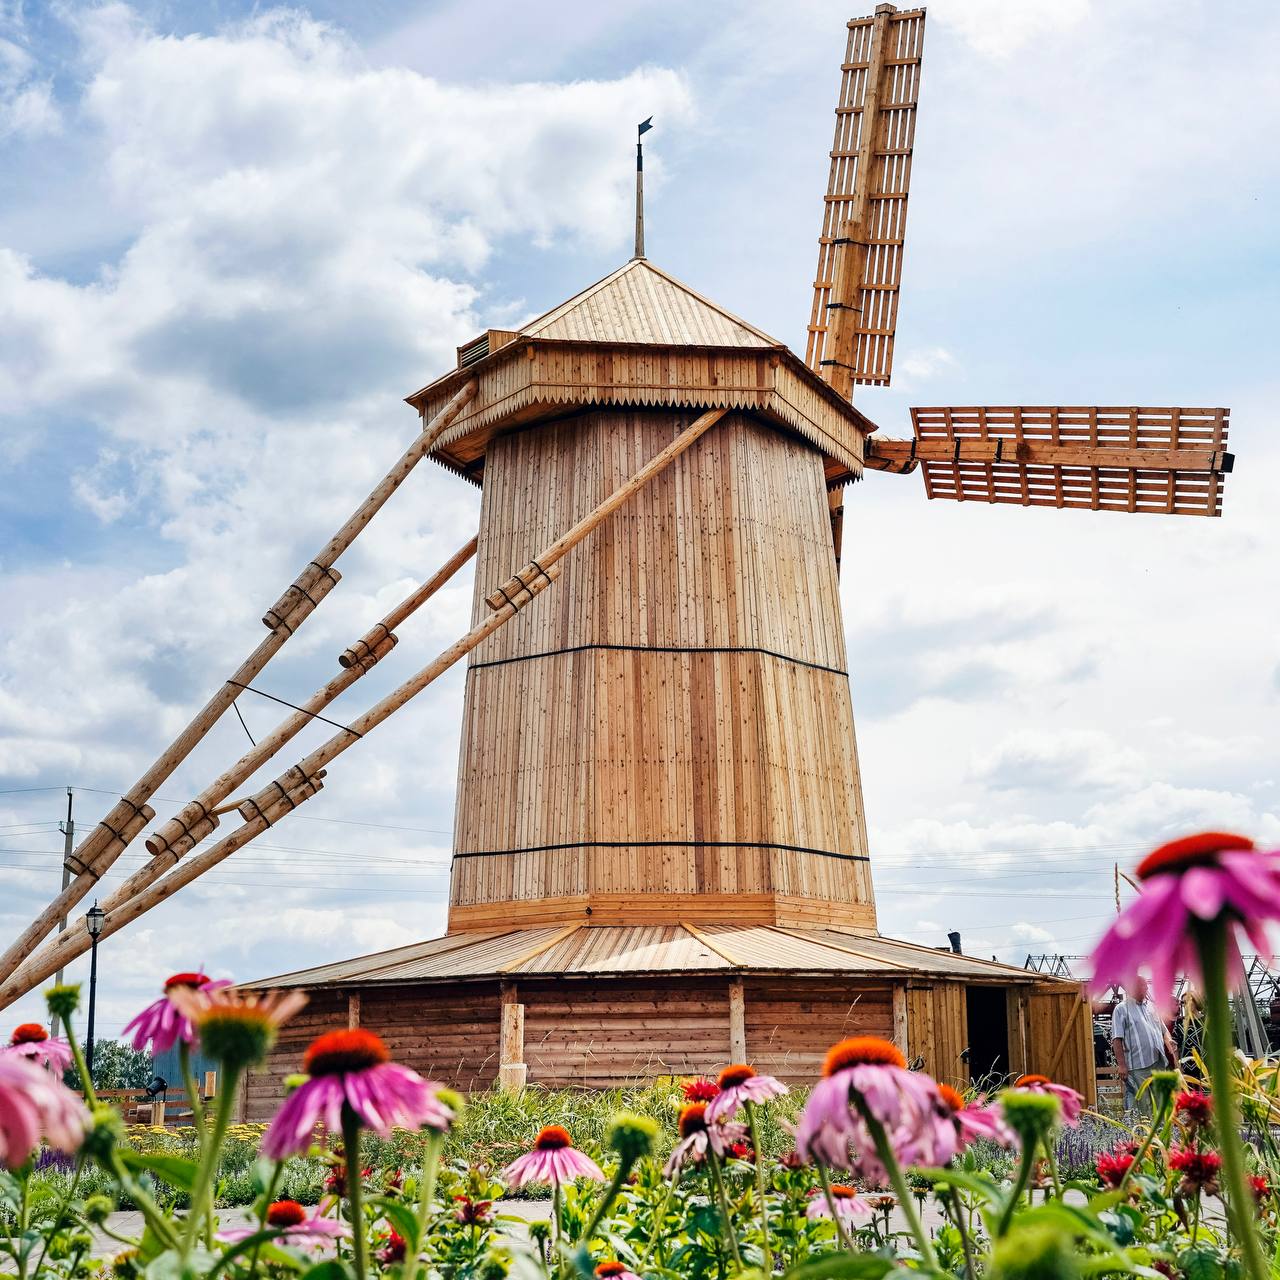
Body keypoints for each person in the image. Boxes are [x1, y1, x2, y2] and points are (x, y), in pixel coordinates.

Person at [1110, 975, 1176, 1113]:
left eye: (1146, 985)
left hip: (1158, 1063)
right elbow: (1117, 1038)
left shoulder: (1152, 1007)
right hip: (1137, 1067)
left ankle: (1160, 1132)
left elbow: (1163, 1030)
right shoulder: (1121, 1009)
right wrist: (1121, 1065)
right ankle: (1139, 1133)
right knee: (1140, 1105)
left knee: (1160, 1104)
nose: (1146, 988)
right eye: (1143, 986)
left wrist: (1169, 1041)